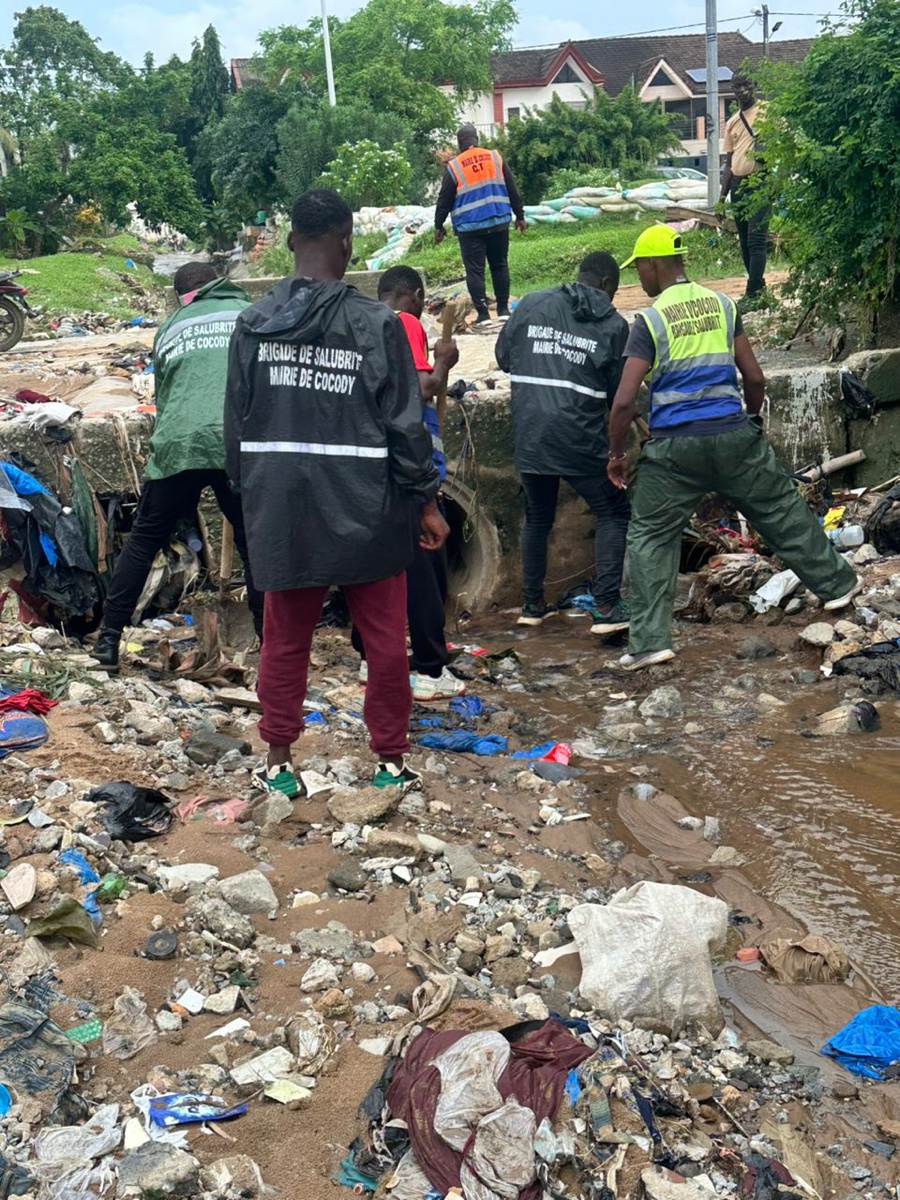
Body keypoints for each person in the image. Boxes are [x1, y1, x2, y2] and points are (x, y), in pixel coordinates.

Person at [224, 189, 448, 798]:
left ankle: (278, 760)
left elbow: (236, 428)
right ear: (348, 243)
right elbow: (405, 428)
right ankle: (391, 763)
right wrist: (425, 502)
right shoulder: (377, 325)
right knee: (383, 639)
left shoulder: (252, 325)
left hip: (285, 509)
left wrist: (258, 500)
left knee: (286, 636)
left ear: (294, 241)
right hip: (367, 510)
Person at [606, 224, 861, 671]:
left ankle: (650, 643)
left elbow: (625, 400)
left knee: (650, 536)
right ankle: (839, 586)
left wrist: (616, 455)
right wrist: (753, 420)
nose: (638, 280)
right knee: (781, 510)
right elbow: (755, 377)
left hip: (674, 451)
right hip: (733, 435)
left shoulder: (649, 320)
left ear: (652, 264)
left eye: (639, 270)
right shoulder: (723, 305)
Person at [92, 263, 262, 671]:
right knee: (253, 545)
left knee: (145, 538)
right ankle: (272, 646)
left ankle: (108, 639)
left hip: (178, 444)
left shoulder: (170, 326)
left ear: (184, 295)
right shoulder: (251, 314)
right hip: (234, 444)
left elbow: (165, 399)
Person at [496, 252, 632, 633]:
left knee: (538, 516)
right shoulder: (614, 325)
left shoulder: (533, 302)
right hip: (578, 436)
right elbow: (617, 394)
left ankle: (531, 604)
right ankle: (606, 607)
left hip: (531, 432)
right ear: (606, 284)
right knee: (614, 511)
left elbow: (504, 357)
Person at [350, 265, 465, 701]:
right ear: (413, 295)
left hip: (368, 464)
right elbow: (421, 389)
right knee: (425, 563)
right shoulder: (405, 322)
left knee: (373, 565)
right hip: (409, 464)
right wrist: (444, 360)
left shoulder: (361, 325)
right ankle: (431, 669)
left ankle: (369, 658)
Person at [434, 123, 526, 325]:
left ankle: (483, 315)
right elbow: (512, 188)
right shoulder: (495, 157)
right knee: (499, 265)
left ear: (460, 143)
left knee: (475, 271)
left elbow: (444, 199)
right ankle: (503, 310)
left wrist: (438, 226)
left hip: (470, 228)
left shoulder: (455, 166)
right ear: (476, 139)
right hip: (498, 221)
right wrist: (520, 215)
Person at [719, 72, 770, 308]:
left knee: (757, 240)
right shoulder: (732, 122)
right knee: (745, 242)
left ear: (754, 86)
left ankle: (752, 293)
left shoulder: (769, 112)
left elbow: (782, 147)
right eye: (736, 86)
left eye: (746, 85)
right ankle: (759, 291)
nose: (741, 90)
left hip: (760, 182)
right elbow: (729, 165)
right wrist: (722, 199)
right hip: (739, 186)